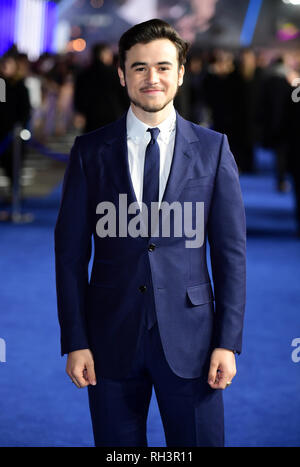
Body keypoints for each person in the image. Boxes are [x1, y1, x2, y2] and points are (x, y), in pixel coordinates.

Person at [55, 19, 246, 447]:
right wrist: (76, 339)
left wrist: (227, 342)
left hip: (193, 341)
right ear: (122, 75)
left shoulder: (214, 150)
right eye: (139, 68)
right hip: (108, 340)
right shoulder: (90, 152)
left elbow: (230, 254)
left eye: (163, 66)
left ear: (181, 72)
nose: (152, 78)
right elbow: (68, 256)